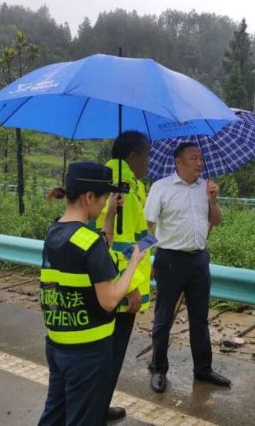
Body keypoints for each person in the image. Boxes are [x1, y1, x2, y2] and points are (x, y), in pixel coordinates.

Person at [38, 162, 147, 426]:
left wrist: (109, 215)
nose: (105, 202)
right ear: (89, 197)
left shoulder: (55, 231)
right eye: (104, 197)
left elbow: (96, 246)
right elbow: (109, 300)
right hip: (88, 352)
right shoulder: (90, 243)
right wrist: (134, 263)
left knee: (55, 414)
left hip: (58, 344)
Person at [144, 142, 231, 393]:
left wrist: (213, 201)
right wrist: (142, 259)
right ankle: (158, 367)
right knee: (163, 317)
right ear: (178, 162)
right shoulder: (161, 188)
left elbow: (217, 221)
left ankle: (203, 369)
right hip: (169, 260)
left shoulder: (205, 187)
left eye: (201, 158)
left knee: (200, 318)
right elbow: (148, 226)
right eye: (193, 158)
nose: (199, 163)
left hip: (199, 260)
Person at [93, 131, 153, 422]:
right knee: (111, 353)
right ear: (133, 156)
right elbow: (122, 243)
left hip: (101, 281)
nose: (149, 162)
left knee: (100, 350)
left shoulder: (103, 177)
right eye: (147, 155)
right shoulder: (123, 187)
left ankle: (94, 406)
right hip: (119, 286)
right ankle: (97, 409)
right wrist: (133, 287)